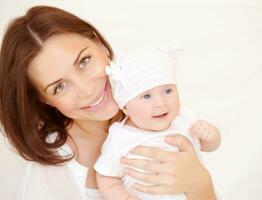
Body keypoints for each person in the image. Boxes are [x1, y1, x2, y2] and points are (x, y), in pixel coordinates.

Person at [0, 5, 218, 200]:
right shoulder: (48, 176)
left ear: (99, 44)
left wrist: (201, 186)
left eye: (84, 61)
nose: (87, 90)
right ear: (44, 99)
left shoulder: (154, 109)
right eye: (60, 86)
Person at [94, 46, 221, 200]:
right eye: (147, 96)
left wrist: (211, 134)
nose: (161, 103)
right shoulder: (120, 138)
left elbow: (209, 146)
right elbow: (106, 177)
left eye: (168, 91)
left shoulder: (184, 118)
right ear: (126, 107)